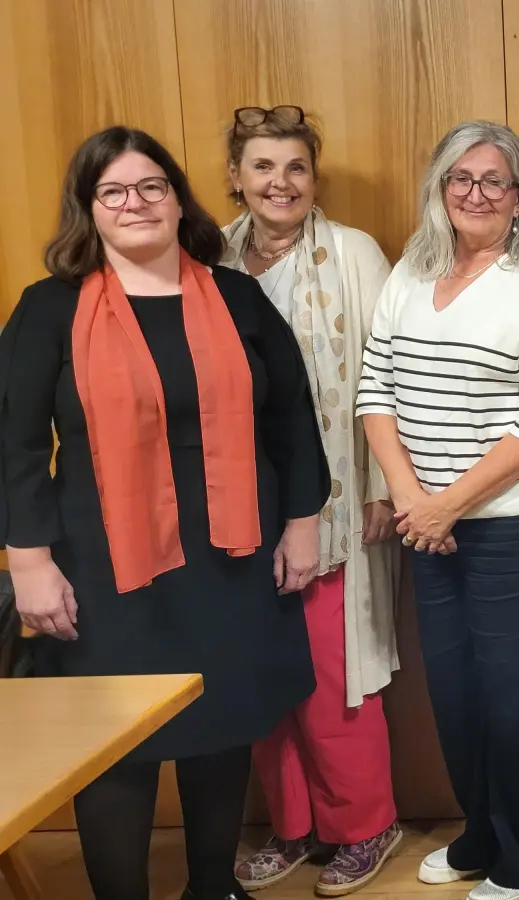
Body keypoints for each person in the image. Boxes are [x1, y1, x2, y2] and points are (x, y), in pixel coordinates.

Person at [0, 127, 329, 900]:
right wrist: (30, 561)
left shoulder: (237, 297)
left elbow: (293, 422)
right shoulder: (49, 310)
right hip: (103, 564)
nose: (135, 203)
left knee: (220, 725)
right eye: (112, 191)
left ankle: (212, 886)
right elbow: (12, 443)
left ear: (180, 199)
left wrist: (304, 522)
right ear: (89, 209)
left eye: (151, 186)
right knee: (114, 745)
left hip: (232, 555)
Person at [357, 120, 519, 900]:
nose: (475, 193)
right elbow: (374, 391)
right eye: (460, 178)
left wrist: (446, 506)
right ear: (440, 189)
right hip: (429, 521)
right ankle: (483, 836)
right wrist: (411, 498)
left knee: (518, 695)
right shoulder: (407, 275)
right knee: (458, 694)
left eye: (494, 180)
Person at [218, 104, 403, 897]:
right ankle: (292, 825)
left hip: (332, 500)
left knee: (332, 673)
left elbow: (390, 369)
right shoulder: (208, 258)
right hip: (236, 504)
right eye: (263, 167)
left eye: (295, 167)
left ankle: (365, 823)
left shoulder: (354, 253)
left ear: (312, 178)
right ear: (236, 178)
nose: (280, 182)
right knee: (261, 670)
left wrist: (383, 485)